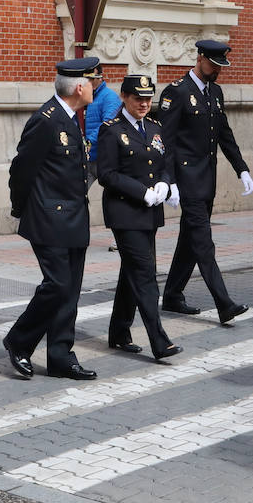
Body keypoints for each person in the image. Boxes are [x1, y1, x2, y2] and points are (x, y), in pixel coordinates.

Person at [3, 57, 98, 380]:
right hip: (49, 218)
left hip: (73, 218)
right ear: (79, 87)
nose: (95, 87)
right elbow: (21, 170)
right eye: (92, 82)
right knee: (57, 285)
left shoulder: (71, 118)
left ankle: (60, 355)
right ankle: (19, 341)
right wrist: (21, 208)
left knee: (69, 291)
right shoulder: (47, 120)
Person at [158, 39, 252, 324]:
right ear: (199, 58)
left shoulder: (216, 92)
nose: (217, 71)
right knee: (203, 242)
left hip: (206, 181)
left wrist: (242, 169)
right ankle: (224, 303)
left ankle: (173, 295)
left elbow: (225, 134)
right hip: (186, 182)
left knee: (190, 240)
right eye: (213, 65)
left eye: (221, 66)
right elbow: (166, 141)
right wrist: (170, 181)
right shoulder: (176, 93)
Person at [96, 74, 182, 361]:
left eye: (148, 98)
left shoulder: (154, 127)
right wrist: (142, 192)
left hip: (149, 213)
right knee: (146, 275)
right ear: (124, 97)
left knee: (132, 272)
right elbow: (106, 174)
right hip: (125, 212)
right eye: (138, 98)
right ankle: (160, 341)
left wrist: (165, 183)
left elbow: (164, 161)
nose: (144, 103)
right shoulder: (112, 130)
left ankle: (119, 332)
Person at [83, 69, 122, 186]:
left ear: (100, 78)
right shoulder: (93, 96)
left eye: (91, 79)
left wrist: (89, 142)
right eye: (86, 79)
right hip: (91, 157)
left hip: (104, 158)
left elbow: (107, 124)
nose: (88, 82)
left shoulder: (109, 97)